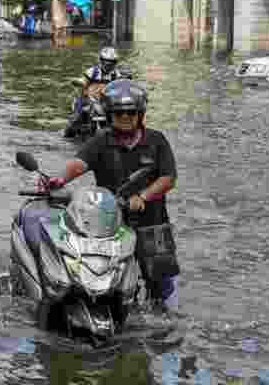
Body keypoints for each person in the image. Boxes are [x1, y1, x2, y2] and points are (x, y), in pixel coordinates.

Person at [37, 79, 180, 308]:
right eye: (119, 113)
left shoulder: (157, 141)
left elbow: (168, 178)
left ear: (140, 114)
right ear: (110, 114)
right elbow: (79, 163)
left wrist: (142, 197)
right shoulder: (101, 140)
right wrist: (59, 179)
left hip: (152, 223)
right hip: (109, 224)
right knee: (99, 278)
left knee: (162, 289)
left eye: (131, 112)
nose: (125, 117)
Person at [64, 47, 122, 138]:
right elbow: (83, 81)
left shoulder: (116, 75)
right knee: (76, 117)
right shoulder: (93, 71)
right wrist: (79, 82)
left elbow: (120, 87)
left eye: (111, 62)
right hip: (88, 99)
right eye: (106, 62)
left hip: (105, 101)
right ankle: (68, 134)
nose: (108, 65)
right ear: (101, 61)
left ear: (115, 63)